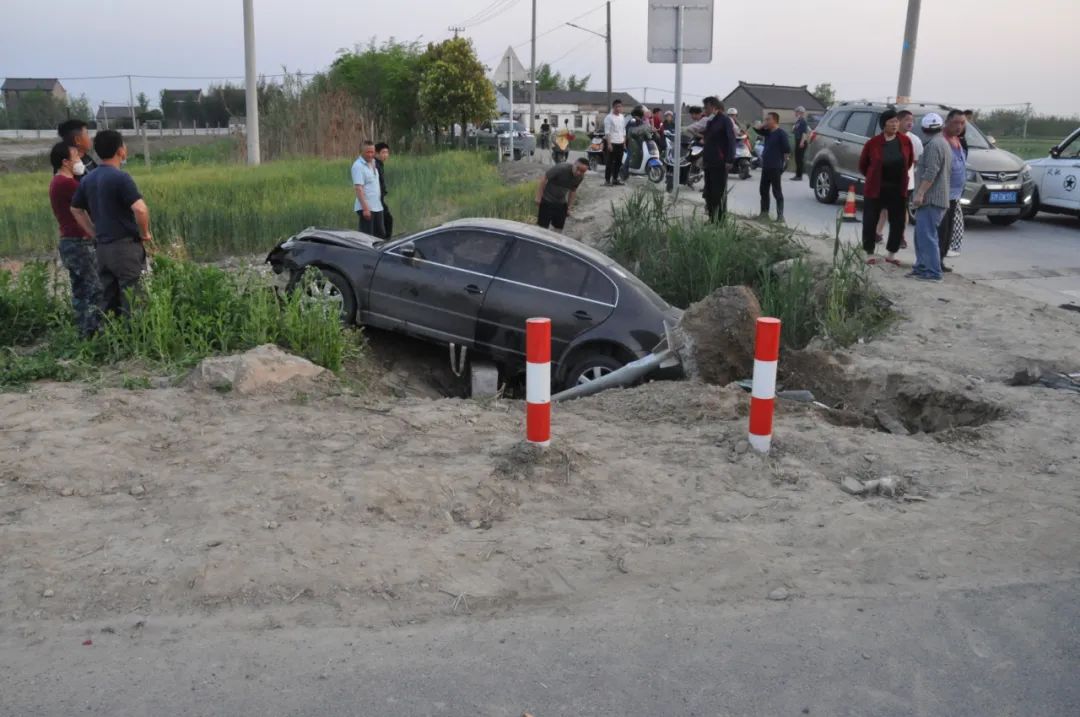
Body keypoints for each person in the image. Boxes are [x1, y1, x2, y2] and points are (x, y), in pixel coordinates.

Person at [69, 130, 152, 316]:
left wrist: (93, 232)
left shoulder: (88, 178)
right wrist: (144, 233)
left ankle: (112, 341)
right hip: (124, 249)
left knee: (109, 303)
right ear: (120, 151)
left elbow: (75, 209)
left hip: (102, 250)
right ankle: (137, 341)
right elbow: (140, 209)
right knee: (134, 303)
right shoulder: (120, 177)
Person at [48, 141, 102, 337]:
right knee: (96, 289)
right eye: (76, 158)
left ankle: (82, 332)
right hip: (80, 242)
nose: (80, 161)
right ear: (65, 162)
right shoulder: (67, 184)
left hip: (68, 241)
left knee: (80, 290)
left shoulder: (57, 182)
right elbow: (89, 201)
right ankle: (94, 332)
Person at [858, 109, 914, 265]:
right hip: (876, 188)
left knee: (898, 222)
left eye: (896, 121)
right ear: (883, 124)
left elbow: (909, 162)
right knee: (870, 220)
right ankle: (869, 253)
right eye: (891, 122)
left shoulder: (905, 141)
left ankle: (891, 254)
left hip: (897, 188)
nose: (895, 125)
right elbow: (863, 165)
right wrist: (874, 175)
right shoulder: (873, 143)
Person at [909, 113, 949, 282]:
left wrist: (920, 193)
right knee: (921, 235)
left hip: (932, 198)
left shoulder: (933, 145)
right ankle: (921, 267)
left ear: (924, 129)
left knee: (927, 235)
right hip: (934, 198)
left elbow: (931, 172)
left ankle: (933, 272)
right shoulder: (942, 142)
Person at [876, 110, 923, 249]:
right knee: (884, 209)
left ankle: (900, 236)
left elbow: (915, 161)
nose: (910, 123)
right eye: (907, 120)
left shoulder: (914, 140)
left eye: (912, 120)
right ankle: (877, 233)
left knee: (902, 210)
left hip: (906, 183)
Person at [938, 110, 968, 270]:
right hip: (942, 193)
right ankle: (935, 260)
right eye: (956, 122)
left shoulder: (958, 140)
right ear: (947, 122)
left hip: (955, 195)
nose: (959, 126)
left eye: (962, 123)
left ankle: (941, 258)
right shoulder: (941, 141)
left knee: (949, 230)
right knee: (940, 230)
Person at [700, 97, 736, 223]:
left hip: (720, 162)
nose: (705, 110)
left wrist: (729, 159)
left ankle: (720, 221)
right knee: (709, 192)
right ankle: (711, 218)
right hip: (709, 161)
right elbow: (708, 139)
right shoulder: (710, 121)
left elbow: (731, 140)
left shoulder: (725, 120)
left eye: (706, 107)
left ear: (714, 107)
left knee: (718, 193)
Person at [535, 157, 588, 232]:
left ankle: (554, 242)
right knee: (542, 228)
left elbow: (573, 191)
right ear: (574, 164)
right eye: (578, 169)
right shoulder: (561, 168)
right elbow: (544, 178)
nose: (579, 172)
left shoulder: (580, 177)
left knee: (559, 228)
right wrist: (538, 197)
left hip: (561, 202)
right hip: (547, 200)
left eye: (582, 171)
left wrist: (569, 207)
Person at [758, 112, 792, 222]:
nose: (766, 121)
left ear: (775, 120)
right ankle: (764, 214)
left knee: (776, 191)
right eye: (765, 119)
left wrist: (785, 162)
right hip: (766, 166)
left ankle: (780, 216)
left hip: (775, 166)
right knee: (763, 190)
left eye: (768, 119)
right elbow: (756, 129)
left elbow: (787, 149)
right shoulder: (767, 132)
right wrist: (764, 125)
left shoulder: (781, 133)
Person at [352, 140, 384, 238]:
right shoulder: (358, 166)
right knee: (367, 238)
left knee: (380, 236)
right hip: (366, 208)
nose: (370, 155)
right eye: (368, 152)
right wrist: (366, 209)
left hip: (377, 206)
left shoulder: (374, 163)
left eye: (372, 152)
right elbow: (358, 188)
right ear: (361, 152)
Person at [603, 99, 627, 186]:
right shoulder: (609, 118)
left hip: (620, 142)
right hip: (612, 143)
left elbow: (623, 130)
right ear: (613, 107)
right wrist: (609, 144)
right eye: (617, 106)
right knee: (610, 162)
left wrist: (624, 142)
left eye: (620, 106)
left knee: (618, 162)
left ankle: (615, 179)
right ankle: (607, 180)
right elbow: (607, 132)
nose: (618, 108)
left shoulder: (622, 117)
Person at [374, 142, 393, 238]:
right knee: (387, 220)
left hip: (380, 198)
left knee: (387, 220)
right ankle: (385, 242)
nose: (386, 155)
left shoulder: (380, 164)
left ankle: (386, 240)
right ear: (376, 153)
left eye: (387, 152)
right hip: (375, 200)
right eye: (383, 152)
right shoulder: (375, 164)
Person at [791, 106, 810, 180]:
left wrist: (802, 142)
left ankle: (799, 176)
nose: (795, 113)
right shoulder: (798, 121)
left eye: (796, 112)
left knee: (799, 159)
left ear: (800, 113)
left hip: (801, 141)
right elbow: (795, 131)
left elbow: (804, 133)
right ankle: (797, 175)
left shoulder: (803, 121)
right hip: (797, 140)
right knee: (797, 159)